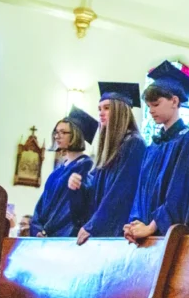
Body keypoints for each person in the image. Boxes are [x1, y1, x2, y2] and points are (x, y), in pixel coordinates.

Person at [124, 61, 189, 242]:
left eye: (156, 104)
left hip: (170, 236)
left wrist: (152, 227)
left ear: (174, 101)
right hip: (146, 233)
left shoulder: (188, 139)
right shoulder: (154, 145)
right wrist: (136, 223)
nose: (151, 111)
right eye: (149, 106)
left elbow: (179, 191)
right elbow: (141, 189)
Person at [69, 82, 146, 245]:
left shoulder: (134, 144)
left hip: (118, 232)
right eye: (99, 109)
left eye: (107, 108)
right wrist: (78, 187)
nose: (101, 113)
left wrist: (93, 225)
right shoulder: (109, 150)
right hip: (103, 232)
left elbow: (119, 192)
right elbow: (94, 194)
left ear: (120, 111)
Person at [30, 107, 98, 237]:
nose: (57, 136)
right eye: (56, 132)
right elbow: (41, 206)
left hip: (64, 238)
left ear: (75, 135)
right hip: (45, 237)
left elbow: (75, 213)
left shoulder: (85, 171)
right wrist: (37, 229)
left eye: (62, 132)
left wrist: (50, 231)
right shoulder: (57, 172)